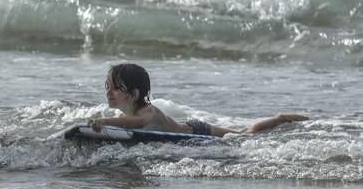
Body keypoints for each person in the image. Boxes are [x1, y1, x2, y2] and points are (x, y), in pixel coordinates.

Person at [89, 63, 308, 137]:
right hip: (188, 127)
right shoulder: (123, 114)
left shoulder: (148, 113)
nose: (109, 92)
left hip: (197, 131)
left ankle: (280, 118)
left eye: (116, 88)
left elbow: (134, 124)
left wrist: (103, 122)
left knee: (246, 137)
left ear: (134, 95)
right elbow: (125, 122)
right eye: (108, 86)